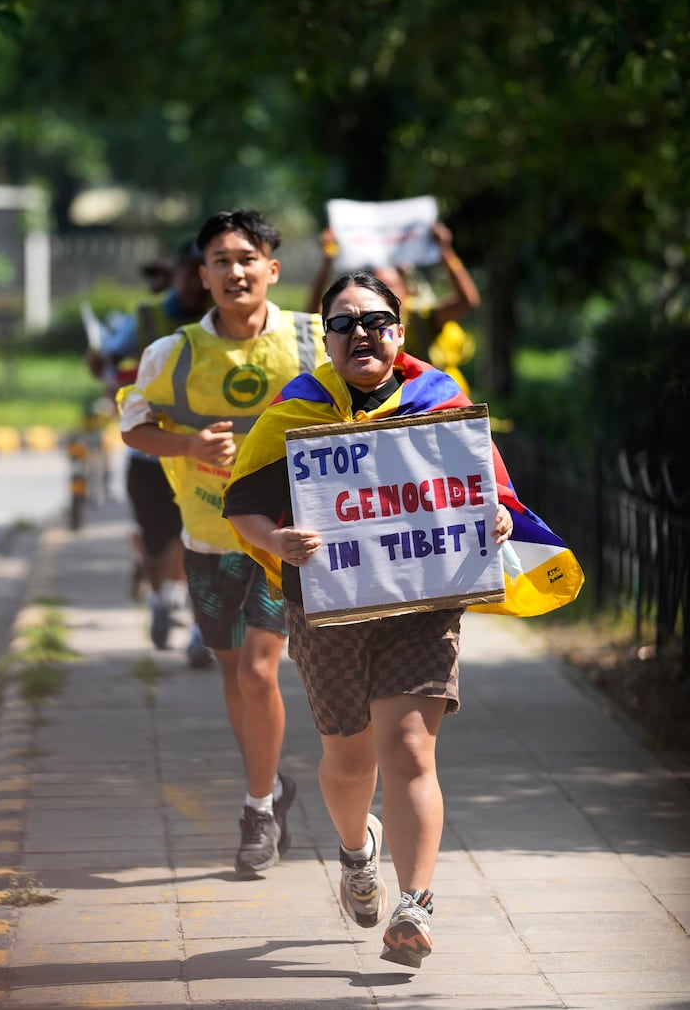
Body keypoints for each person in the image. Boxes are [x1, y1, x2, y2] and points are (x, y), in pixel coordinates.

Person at [224, 270, 581, 967]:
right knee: (349, 758)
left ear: (399, 330)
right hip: (327, 609)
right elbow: (242, 505)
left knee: (412, 748)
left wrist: (500, 517)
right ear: (325, 338)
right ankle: (358, 850)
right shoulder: (295, 411)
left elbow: (492, 494)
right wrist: (274, 540)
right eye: (345, 323)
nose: (362, 334)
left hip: (423, 603)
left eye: (377, 321)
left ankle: (415, 904)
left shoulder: (438, 401)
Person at [117, 208, 328, 874]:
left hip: (279, 545)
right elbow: (132, 426)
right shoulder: (171, 354)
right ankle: (270, 784)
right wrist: (186, 444)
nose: (234, 271)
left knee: (262, 670)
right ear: (201, 276)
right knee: (236, 677)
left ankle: (257, 811)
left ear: (272, 268)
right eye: (220, 261)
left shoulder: (313, 341)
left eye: (247, 258)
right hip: (207, 539)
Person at [93, 240, 213, 667]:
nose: (198, 284)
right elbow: (107, 359)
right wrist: (106, 372)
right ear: (178, 275)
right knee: (156, 540)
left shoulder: (230, 322)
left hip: (207, 459)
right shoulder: (146, 319)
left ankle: (201, 630)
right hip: (149, 455)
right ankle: (161, 599)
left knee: (201, 542)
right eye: (191, 273)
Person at [305, 218, 481, 392]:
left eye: (389, 286)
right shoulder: (357, 325)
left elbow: (467, 301)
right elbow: (314, 316)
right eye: (375, 287)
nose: (382, 294)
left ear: (400, 333)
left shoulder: (421, 317)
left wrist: (446, 252)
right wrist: (327, 259)